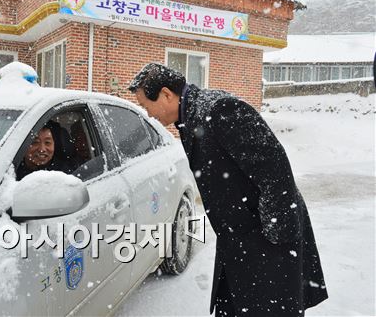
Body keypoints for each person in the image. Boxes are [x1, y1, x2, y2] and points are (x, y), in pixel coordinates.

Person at [129, 63, 327, 317]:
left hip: (266, 243)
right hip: (240, 243)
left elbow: (275, 171)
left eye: (147, 106)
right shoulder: (191, 117)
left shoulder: (220, 110)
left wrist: (273, 243)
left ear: (167, 94)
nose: (149, 114)